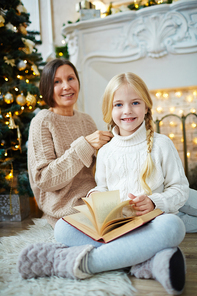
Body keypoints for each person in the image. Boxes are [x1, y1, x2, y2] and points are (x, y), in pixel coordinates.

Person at [19, 66, 188, 295]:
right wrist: (95, 195)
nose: (127, 110)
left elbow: (179, 188)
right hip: (113, 225)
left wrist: (154, 201)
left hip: (149, 220)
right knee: (63, 229)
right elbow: (97, 184)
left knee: (173, 225)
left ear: (147, 105)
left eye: (135, 103)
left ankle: (81, 263)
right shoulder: (103, 148)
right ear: (110, 110)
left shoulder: (161, 144)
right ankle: (149, 259)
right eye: (118, 105)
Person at [27, 58, 113, 228]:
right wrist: (85, 145)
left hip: (95, 200)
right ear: (47, 88)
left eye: (71, 78)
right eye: (57, 82)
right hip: (63, 210)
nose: (66, 86)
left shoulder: (86, 121)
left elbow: (99, 170)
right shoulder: (42, 121)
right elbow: (45, 180)